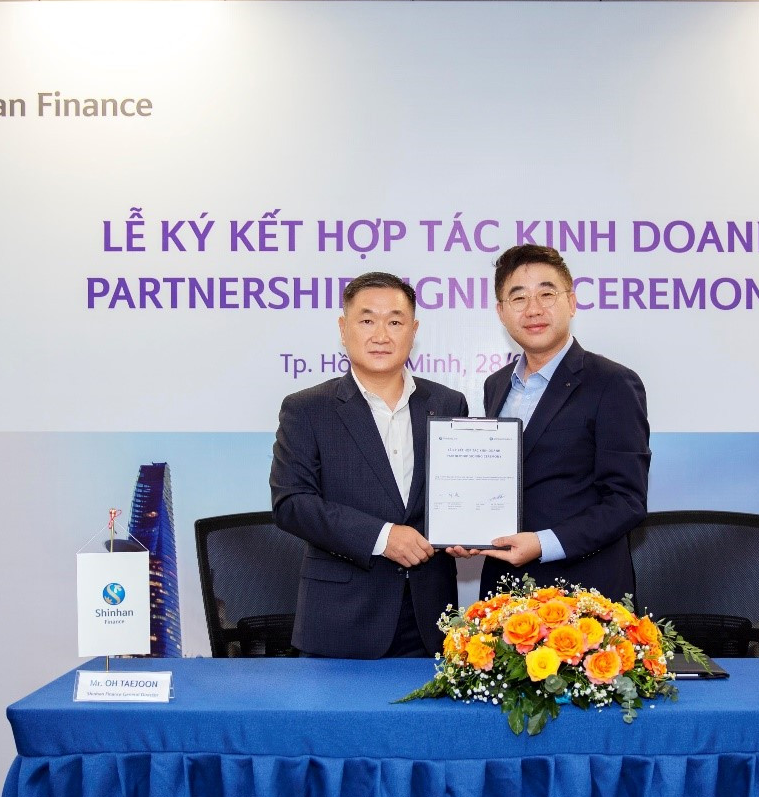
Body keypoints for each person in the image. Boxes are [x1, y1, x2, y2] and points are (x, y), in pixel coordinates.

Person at [271, 272, 469, 658]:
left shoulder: (448, 403)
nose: (381, 335)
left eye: (395, 322)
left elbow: (456, 495)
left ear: (413, 331)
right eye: (367, 320)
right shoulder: (307, 409)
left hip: (430, 619)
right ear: (343, 329)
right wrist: (382, 536)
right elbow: (291, 504)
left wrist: (468, 529)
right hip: (341, 620)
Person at [460, 244, 650, 603]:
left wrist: (542, 543)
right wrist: (467, 529)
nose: (533, 309)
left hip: (583, 595)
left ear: (572, 302)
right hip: (505, 593)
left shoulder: (612, 383)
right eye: (518, 298)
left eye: (546, 294)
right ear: (501, 312)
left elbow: (626, 502)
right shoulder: (496, 385)